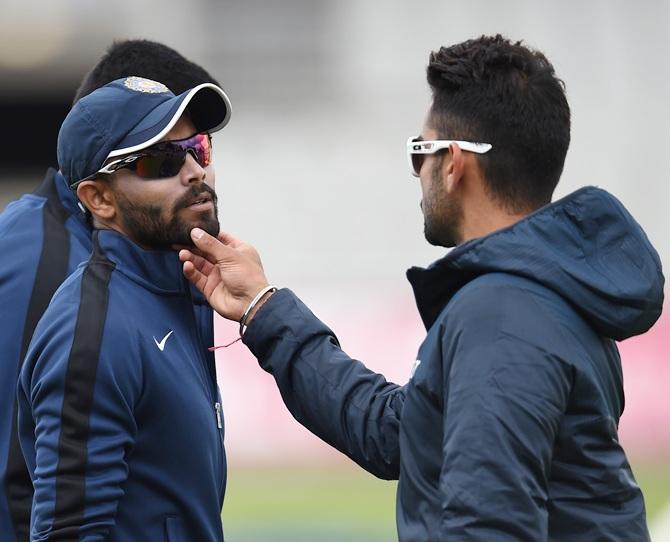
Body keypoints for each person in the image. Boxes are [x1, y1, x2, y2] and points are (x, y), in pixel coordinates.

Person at [179, 35, 665, 541]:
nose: (417, 173)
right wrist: (262, 307)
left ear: (453, 163)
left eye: (420, 152)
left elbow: (487, 529)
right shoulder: (540, 296)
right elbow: (396, 433)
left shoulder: (501, 314)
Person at [0, 40, 222, 542]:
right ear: (98, 197)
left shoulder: (173, 271)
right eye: (161, 157)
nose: (196, 170)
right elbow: (24, 475)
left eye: (199, 145)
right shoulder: (39, 256)